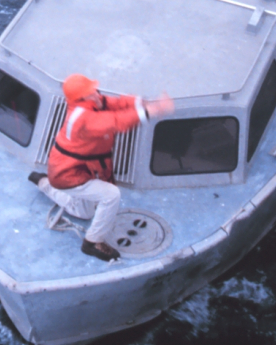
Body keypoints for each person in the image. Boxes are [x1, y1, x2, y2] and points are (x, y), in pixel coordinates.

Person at [30, 73, 174, 262]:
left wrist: (146, 103)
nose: (97, 93)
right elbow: (115, 122)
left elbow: (118, 104)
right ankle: (92, 243)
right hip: (68, 174)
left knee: (85, 213)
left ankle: (42, 182)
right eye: (91, 91)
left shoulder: (92, 101)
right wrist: (153, 111)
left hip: (75, 169)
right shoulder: (82, 117)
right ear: (81, 97)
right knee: (110, 195)